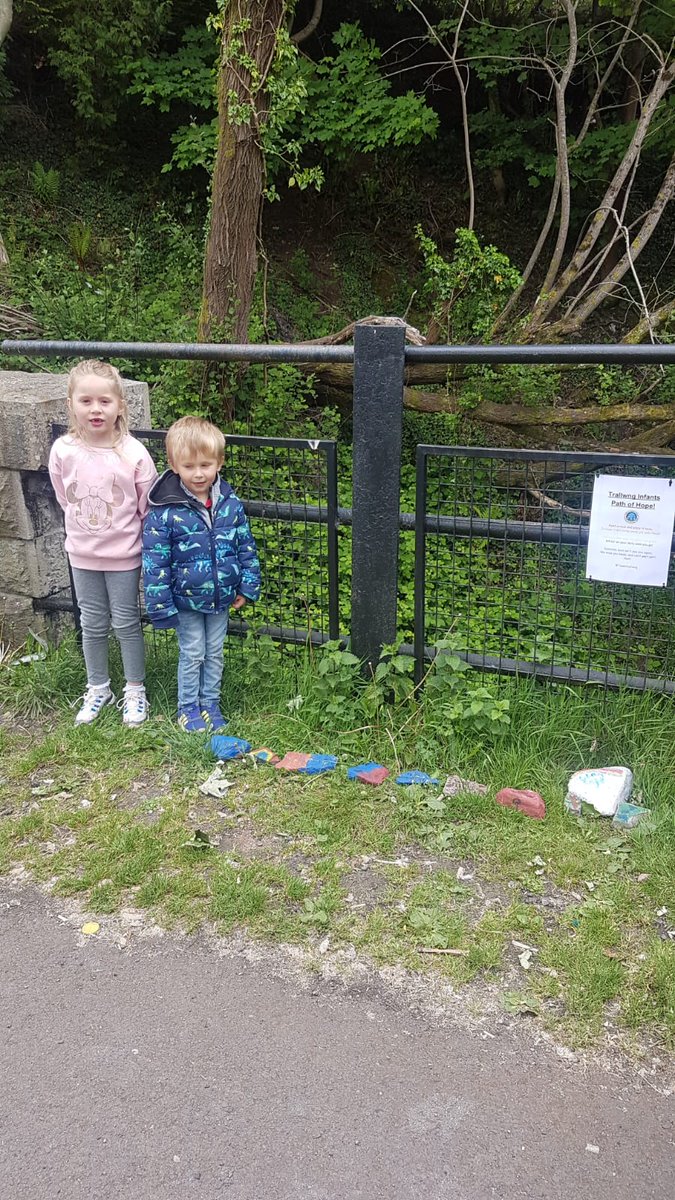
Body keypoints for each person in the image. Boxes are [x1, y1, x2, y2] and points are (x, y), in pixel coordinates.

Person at [48, 360, 158, 726]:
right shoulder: (63, 450)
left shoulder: (134, 454)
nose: (96, 409)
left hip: (124, 556)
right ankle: (98, 687)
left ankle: (134, 690)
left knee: (126, 622)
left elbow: (146, 506)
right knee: (92, 622)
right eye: (86, 401)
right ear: (71, 405)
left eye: (104, 402)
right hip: (81, 554)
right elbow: (65, 496)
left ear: (120, 406)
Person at [142, 415, 261, 732]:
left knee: (215, 653)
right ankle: (188, 708)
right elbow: (155, 561)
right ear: (173, 464)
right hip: (186, 602)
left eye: (205, 465)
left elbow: (245, 544)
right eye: (189, 465)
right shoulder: (165, 509)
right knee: (193, 653)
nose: (198, 473)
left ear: (219, 462)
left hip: (221, 598)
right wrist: (160, 605)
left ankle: (210, 703)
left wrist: (247, 585)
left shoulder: (229, 503)